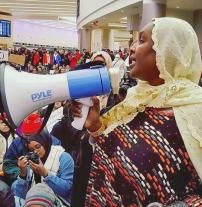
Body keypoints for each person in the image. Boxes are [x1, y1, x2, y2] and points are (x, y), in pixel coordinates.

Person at [72, 17, 202, 206]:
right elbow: (115, 154)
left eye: (142, 40)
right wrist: (96, 126)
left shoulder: (195, 110)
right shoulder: (136, 100)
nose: (132, 48)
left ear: (167, 51)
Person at [12, 133, 74, 206]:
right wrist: (23, 173)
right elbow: (21, 195)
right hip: (34, 200)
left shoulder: (63, 157)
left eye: (37, 146)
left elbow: (66, 190)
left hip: (57, 201)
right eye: (31, 149)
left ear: (45, 143)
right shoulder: (31, 159)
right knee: (14, 189)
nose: (35, 151)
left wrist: (45, 174)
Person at [3, 114, 61, 186]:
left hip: (49, 183)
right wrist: (23, 173)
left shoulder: (55, 144)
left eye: (30, 135)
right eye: (25, 135)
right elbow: (8, 165)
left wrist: (45, 173)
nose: (28, 140)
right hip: (24, 184)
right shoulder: (17, 143)